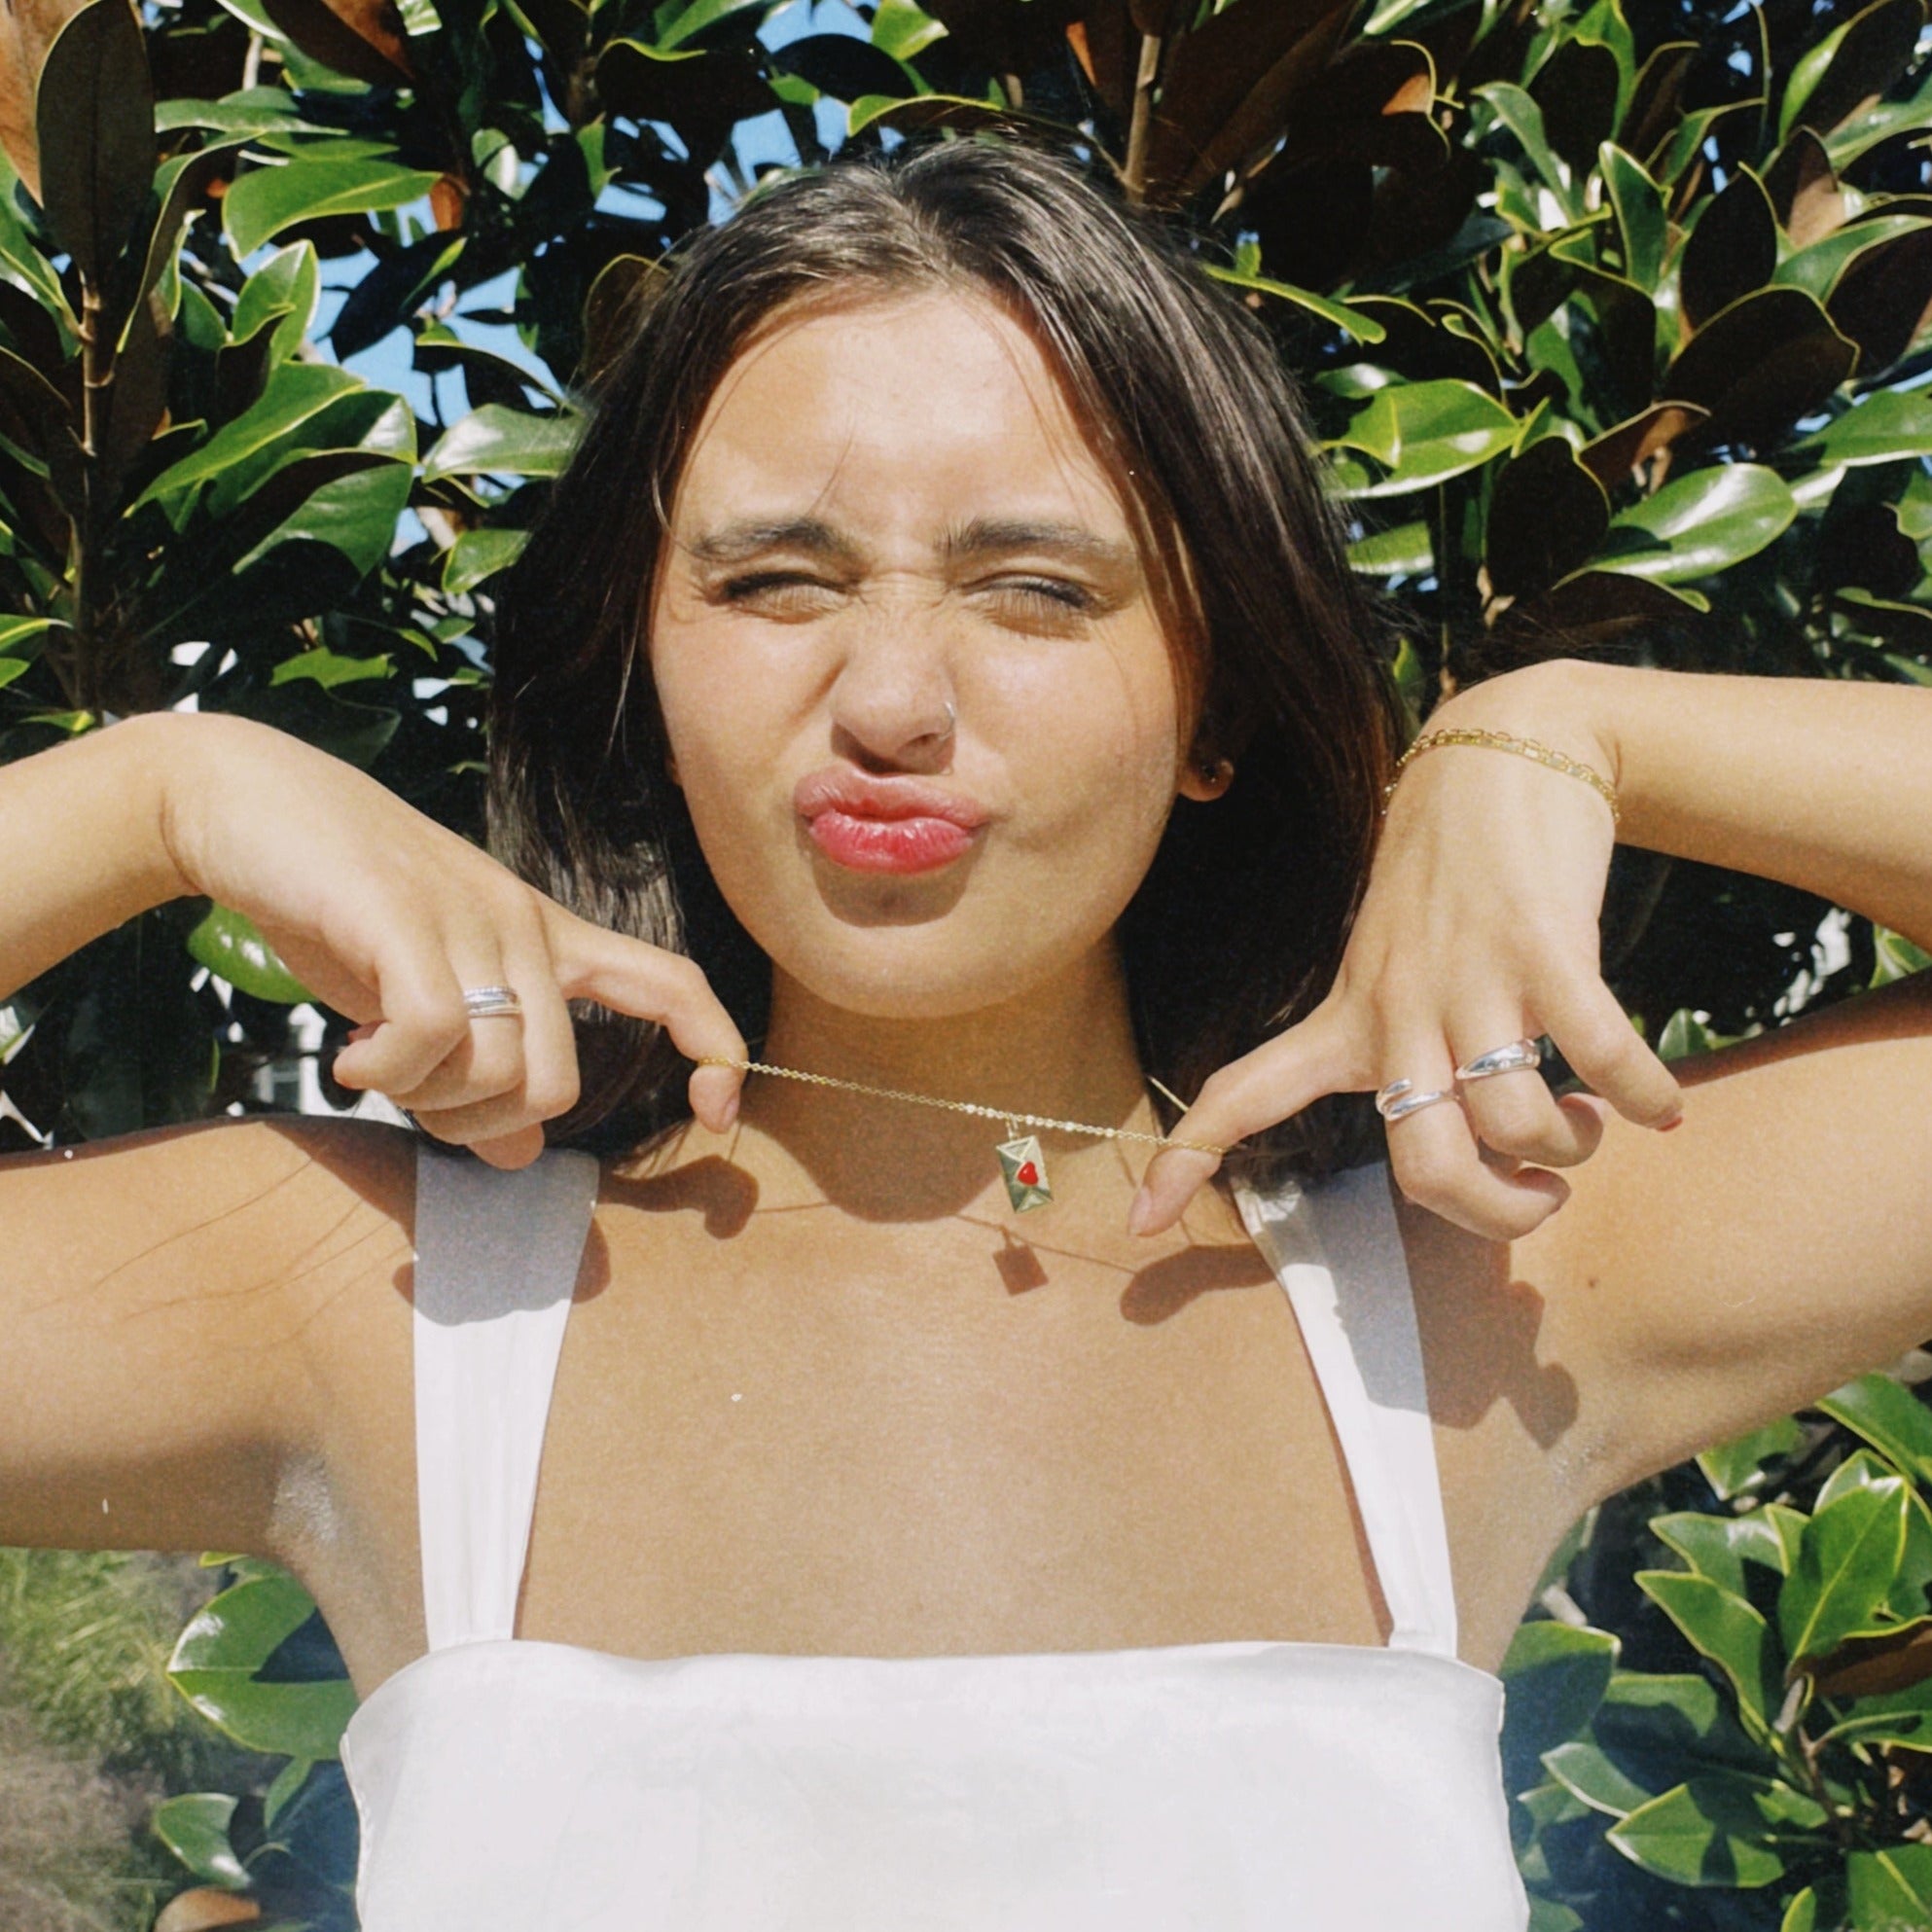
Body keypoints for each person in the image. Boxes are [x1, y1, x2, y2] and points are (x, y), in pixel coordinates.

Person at [2, 132, 1929, 1930]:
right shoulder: (385, 1300)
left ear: (1215, 706)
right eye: (775, 581)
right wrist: (163, 792)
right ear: (638, 664)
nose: (892, 701)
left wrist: (1564, 734)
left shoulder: (1484, 1288)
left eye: (1034, 589)